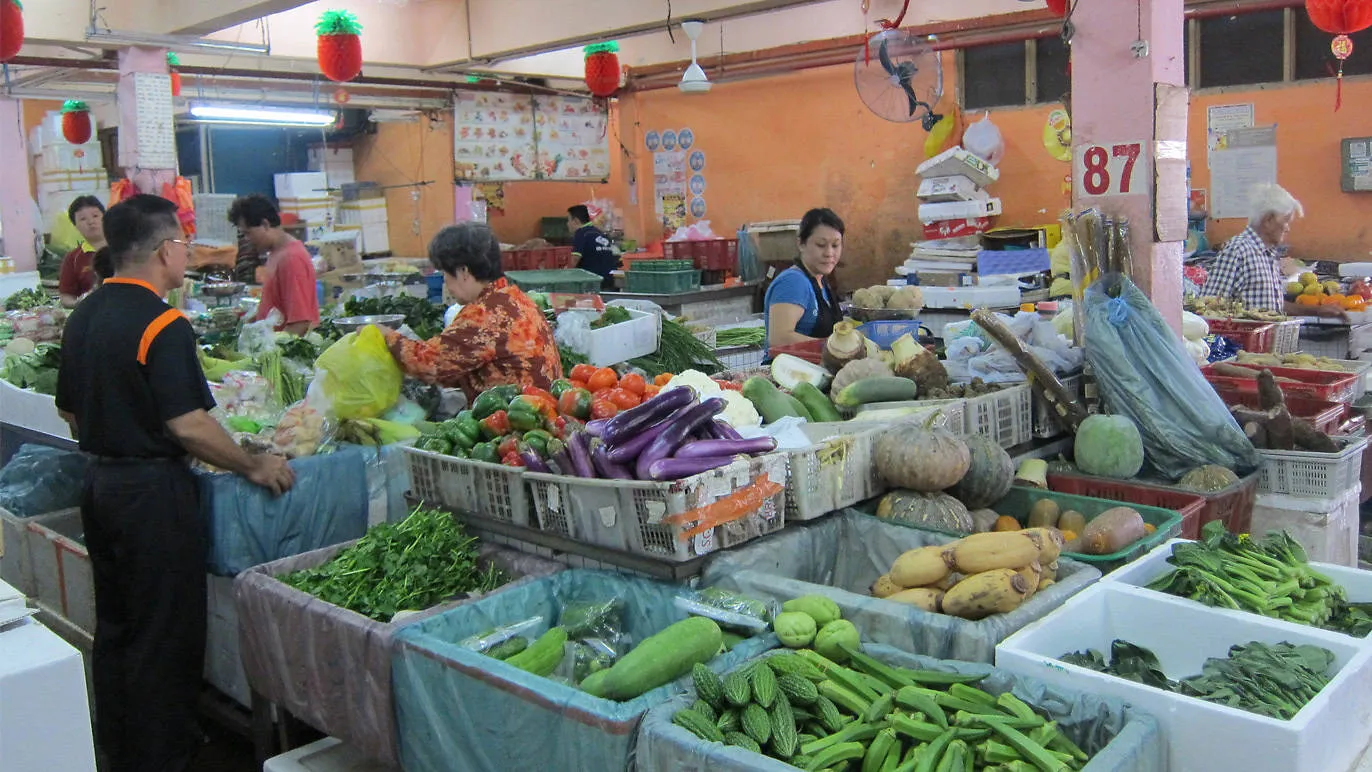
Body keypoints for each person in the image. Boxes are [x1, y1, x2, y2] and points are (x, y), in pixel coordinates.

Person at [56, 194, 296, 772]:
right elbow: (189, 424)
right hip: (150, 494)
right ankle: (162, 754)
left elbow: (69, 411)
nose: (185, 252)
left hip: (101, 486)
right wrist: (253, 463)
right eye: (183, 243)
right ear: (166, 250)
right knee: (164, 630)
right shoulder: (162, 322)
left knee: (117, 623)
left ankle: (119, 745)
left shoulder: (85, 312)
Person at [381, 223, 562, 403]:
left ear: (463, 271)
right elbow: (456, 365)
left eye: (444, 273)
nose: (445, 282)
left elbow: (429, 364)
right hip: (542, 411)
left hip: (516, 420)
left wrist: (387, 336)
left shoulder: (486, 314)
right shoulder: (515, 298)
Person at [1202, 183, 1339, 318]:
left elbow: (1274, 306)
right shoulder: (1238, 251)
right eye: (1285, 221)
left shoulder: (1267, 254)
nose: (1287, 228)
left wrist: (1316, 311)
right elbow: (1209, 305)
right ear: (1268, 220)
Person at [229, 194, 319, 335]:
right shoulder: (276, 253)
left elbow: (300, 324)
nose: (247, 240)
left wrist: (271, 350)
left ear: (265, 224)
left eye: (248, 233)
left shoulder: (291, 259)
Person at [763, 207, 846, 355]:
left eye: (835, 245)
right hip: (788, 372)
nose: (829, 253)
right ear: (801, 243)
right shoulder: (793, 282)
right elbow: (779, 339)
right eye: (821, 245)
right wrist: (833, 348)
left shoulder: (820, 280)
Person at [57, 195, 108, 307]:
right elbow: (66, 296)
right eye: (82, 219)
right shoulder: (73, 258)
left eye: (95, 216)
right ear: (75, 226)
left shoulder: (123, 248)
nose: (91, 222)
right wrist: (78, 304)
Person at [567, 204, 619, 290]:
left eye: (568, 220)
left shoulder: (581, 233)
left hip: (594, 284)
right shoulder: (600, 233)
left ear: (575, 221)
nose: (567, 224)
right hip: (611, 282)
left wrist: (564, 275)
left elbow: (574, 260)